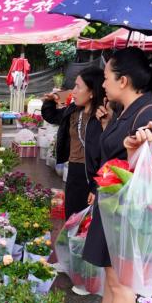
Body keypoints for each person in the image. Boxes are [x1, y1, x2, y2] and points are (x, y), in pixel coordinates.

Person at [77, 47, 152, 303]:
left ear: (124, 80)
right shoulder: (128, 109)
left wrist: (134, 147)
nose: (102, 84)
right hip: (113, 202)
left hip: (130, 211)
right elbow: (114, 151)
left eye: (106, 77)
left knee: (122, 279)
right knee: (109, 268)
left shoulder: (151, 116)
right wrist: (107, 125)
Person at [41, 67, 105, 220]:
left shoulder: (102, 117)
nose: (73, 91)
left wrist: (95, 187)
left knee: (88, 221)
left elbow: (106, 154)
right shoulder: (74, 111)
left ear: (92, 92)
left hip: (92, 175)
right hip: (74, 171)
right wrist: (50, 101)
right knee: (72, 218)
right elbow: (51, 116)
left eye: (78, 86)